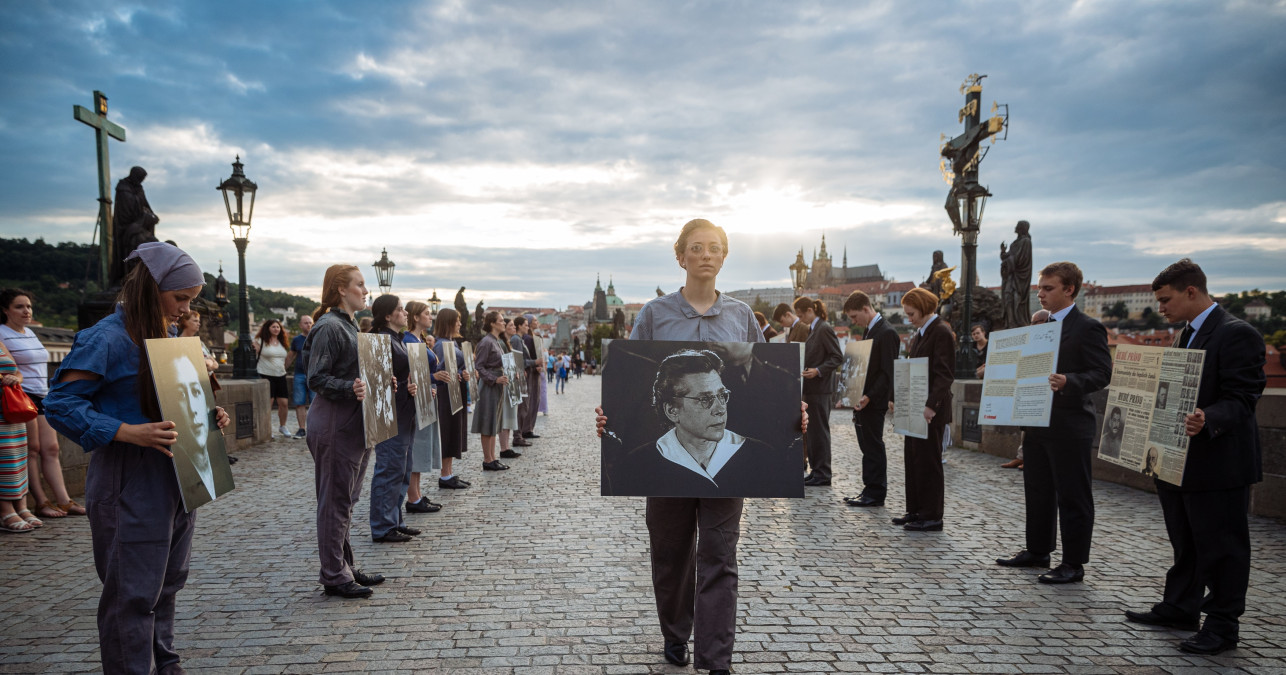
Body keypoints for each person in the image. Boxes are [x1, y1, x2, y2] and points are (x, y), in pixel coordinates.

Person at [595, 218, 805, 675]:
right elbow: (627, 384)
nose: (705, 254)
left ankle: (716, 657)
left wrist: (795, 413)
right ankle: (675, 633)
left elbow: (766, 381)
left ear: (724, 257)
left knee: (720, 554)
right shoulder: (655, 313)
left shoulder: (741, 315)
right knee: (671, 553)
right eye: (696, 247)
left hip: (727, 459)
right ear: (681, 256)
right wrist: (610, 417)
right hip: (666, 456)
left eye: (714, 248)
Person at [45, 242, 231, 673]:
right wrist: (127, 431)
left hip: (177, 473)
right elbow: (60, 405)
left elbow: (175, 401)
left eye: (190, 300)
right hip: (129, 477)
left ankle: (165, 664)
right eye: (180, 298)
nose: (186, 310)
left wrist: (209, 414)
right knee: (132, 592)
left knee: (167, 583)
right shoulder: (106, 338)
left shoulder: (168, 338)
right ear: (152, 289)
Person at [1125, 258, 1266, 656]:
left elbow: (1244, 396)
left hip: (1217, 461)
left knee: (1222, 547)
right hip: (1177, 459)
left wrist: (1209, 417)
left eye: (1165, 300)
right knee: (1185, 540)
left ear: (1191, 291)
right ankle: (1180, 607)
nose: (1160, 308)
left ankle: (1222, 626)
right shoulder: (1186, 333)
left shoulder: (1237, 333)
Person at [996, 262, 1111, 584]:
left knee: (1073, 495)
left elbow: (1102, 373)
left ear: (1069, 290)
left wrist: (1069, 381)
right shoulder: (1039, 328)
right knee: (1038, 491)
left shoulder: (1087, 327)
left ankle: (1073, 563)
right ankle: (1038, 550)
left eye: (1048, 288)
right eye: (1039, 288)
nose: (1040, 294)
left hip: (1070, 424)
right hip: (1036, 421)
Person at [301, 264, 383, 599]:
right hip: (335, 422)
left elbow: (356, 373)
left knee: (346, 500)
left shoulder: (348, 325)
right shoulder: (329, 326)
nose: (365, 290)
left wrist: (381, 381)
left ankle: (344, 565)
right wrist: (350, 387)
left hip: (354, 422)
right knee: (335, 501)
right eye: (359, 284)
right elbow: (316, 378)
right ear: (341, 289)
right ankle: (334, 573)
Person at [604, 348, 783, 497]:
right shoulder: (637, 467)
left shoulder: (763, 458)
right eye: (705, 399)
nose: (720, 409)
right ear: (672, 411)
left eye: (722, 395)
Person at [0, 288, 84, 518]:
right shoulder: (2, 334)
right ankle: (41, 501)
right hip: (22, 395)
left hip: (42, 394)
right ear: (5, 310)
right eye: (19, 307)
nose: (26, 311)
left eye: (28, 306)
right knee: (32, 450)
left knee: (52, 448)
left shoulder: (30, 333)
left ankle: (64, 500)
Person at [892, 287, 955, 532]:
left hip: (930, 411)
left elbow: (944, 374)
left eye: (911, 313)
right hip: (915, 407)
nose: (909, 318)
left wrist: (931, 406)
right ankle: (915, 510)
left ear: (923, 308)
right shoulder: (921, 332)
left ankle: (932, 515)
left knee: (929, 463)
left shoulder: (941, 331)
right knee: (913, 460)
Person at [366, 295, 421, 544]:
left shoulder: (397, 339)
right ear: (387, 315)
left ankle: (395, 520)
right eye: (400, 309)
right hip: (390, 416)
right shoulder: (381, 340)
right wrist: (403, 389)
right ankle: (382, 526)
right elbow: (378, 385)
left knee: (402, 468)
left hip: (404, 412)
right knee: (389, 469)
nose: (405, 312)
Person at [842, 290, 899, 508]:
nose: (853, 322)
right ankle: (869, 489)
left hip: (874, 402)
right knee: (867, 446)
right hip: (864, 400)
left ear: (866, 309)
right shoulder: (870, 330)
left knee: (873, 446)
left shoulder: (887, 332)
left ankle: (876, 493)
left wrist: (868, 396)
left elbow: (887, 373)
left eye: (854, 316)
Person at [797, 297, 842, 487]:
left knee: (820, 432)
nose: (800, 319)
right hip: (812, 389)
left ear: (810, 310)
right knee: (813, 432)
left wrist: (818, 370)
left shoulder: (824, 328)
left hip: (821, 389)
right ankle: (817, 470)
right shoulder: (815, 329)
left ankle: (823, 472)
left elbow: (837, 356)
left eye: (801, 315)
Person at [402, 301, 442, 514]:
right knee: (416, 447)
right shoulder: (409, 340)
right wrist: (433, 379)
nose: (430, 317)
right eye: (427, 313)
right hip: (416, 400)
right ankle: (413, 498)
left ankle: (416, 494)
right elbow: (412, 374)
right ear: (416, 317)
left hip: (425, 397)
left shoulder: (418, 340)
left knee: (420, 445)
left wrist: (431, 383)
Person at [1000, 309, 1050, 470]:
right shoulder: (1031, 340)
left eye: (1035, 322)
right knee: (1026, 428)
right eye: (1031, 322)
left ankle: (1030, 459)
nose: (1032, 325)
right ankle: (1022, 457)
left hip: (1043, 392)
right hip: (1027, 389)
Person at [0, 339, 38, 533]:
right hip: (4, 408)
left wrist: (16, 380)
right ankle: (5, 511)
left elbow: (17, 372)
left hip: (11, 408)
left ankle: (21, 506)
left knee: (18, 457)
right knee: (4, 457)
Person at [433, 309, 472, 490]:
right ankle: (445, 475)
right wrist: (457, 373)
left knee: (454, 432)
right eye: (457, 321)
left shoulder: (452, 343)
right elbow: (440, 370)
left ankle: (448, 472)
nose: (460, 324)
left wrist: (463, 373)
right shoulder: (441, 345)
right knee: (447, 432)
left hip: (455, 392)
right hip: (446, 394)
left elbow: (456, 368)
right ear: (448, 322)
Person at [471, 311, 511, 472]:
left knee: (494, 422)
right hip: (489, 386)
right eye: (501, 320)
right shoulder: (486, 342)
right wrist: (494, 379)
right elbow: (479, 366)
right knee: (488, 421)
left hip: (497, 385)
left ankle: (493, 458)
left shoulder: (496, 341)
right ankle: (487, 459)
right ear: (492, 323)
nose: (504, 323)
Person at [253, 318, 292, 437]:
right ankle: (267, 428)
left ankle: (283, 426)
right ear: (268, 328)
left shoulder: (282, 342)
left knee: (284, 403)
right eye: (273, 327)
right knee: (268, 403)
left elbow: (286, 358)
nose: (276, 329)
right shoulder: (260, 341)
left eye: (278, 327)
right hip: (265, 374)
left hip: (280, 374)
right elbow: (253, 354)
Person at [287, 314, 316, 439]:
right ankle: (302, 429)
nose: (308, 325)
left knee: (316, 403)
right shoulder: (296, 340)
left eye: (310, 322)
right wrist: (283, 369)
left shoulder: (316, 338)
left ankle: (314, 429)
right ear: (300, 325)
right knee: (299, 403)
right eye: (306, 323)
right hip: (299, 374)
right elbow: (291, 356)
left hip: (314, 375)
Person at [516, 315, 542, 441]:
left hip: (533, 369)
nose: (537, 322)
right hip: (530, 371)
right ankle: (526, 429)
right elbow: (525, 357)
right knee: (530, 400)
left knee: (533, 400)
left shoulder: (531, 336)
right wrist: (536, 364)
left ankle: (528, 428)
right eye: (535, 320)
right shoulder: (526, 338)